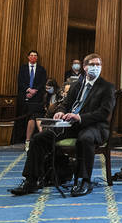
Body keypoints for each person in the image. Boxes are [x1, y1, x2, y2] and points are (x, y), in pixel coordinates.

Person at [10, 52, 114, 197]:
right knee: (38, 139)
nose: (95, 67)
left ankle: (84, 181)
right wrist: (59, 112)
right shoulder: (77, 85)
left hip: (95, 127)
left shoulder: (107, 87)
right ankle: (31, 181)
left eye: (98, 65)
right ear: (84, 67)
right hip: (70, 126)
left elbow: (104, 113)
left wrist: (79, 117)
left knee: (85, 139)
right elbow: (64, 104)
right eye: (92, 65)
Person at [15, 50, 47, 144]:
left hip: (37, 97)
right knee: (23, 117)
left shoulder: (41, 69)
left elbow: (42, 82)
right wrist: (28, 90)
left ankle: (33, 138)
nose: (33, 57)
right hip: (24, 95)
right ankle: (22, 138)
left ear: (37, 58)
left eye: (35, 55)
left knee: (34, 117)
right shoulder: (23, 68)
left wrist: (34, 91)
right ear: (28, 57)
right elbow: (20, 81)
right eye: (31, 55)